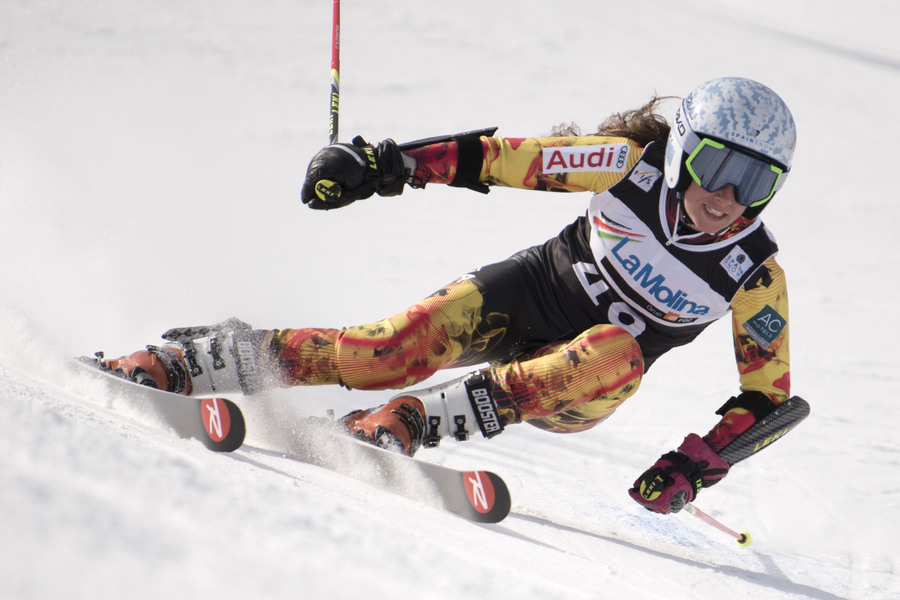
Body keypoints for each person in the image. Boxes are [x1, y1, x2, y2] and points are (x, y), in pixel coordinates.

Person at [102, 76, 797, 515]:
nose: (729, 198)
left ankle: (410, 422)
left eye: (757, 182)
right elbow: (500, 158)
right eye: (718, 166)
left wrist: (693, 467)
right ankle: (201, 360)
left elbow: (768, 396)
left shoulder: (753, 273)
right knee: (384, 352)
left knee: (615, 351)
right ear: (682, 152)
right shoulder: (627, 167)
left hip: (579, 386)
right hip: (527, 294)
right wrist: (385, 166)